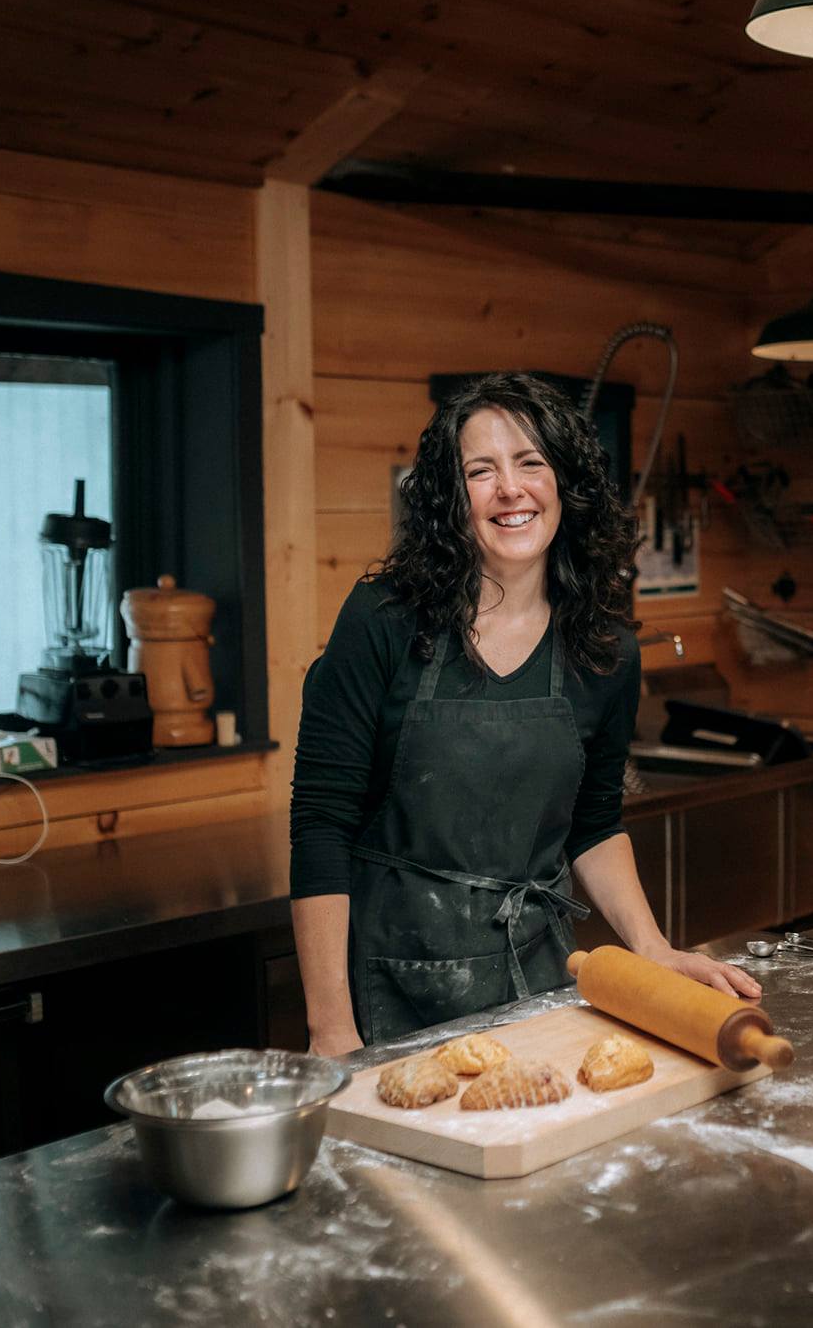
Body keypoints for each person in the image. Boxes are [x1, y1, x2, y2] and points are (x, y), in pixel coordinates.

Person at [289, 372, 760, 1054]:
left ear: (564, 484)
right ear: (454, 496)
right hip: (390, 990)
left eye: (531, 463)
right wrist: (329, 1026)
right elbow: (320, 824)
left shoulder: (604, 652)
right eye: (481, 470)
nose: (510, 489)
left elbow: (594, 825)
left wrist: (652, 947)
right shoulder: (384, 620)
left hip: (537, 986)